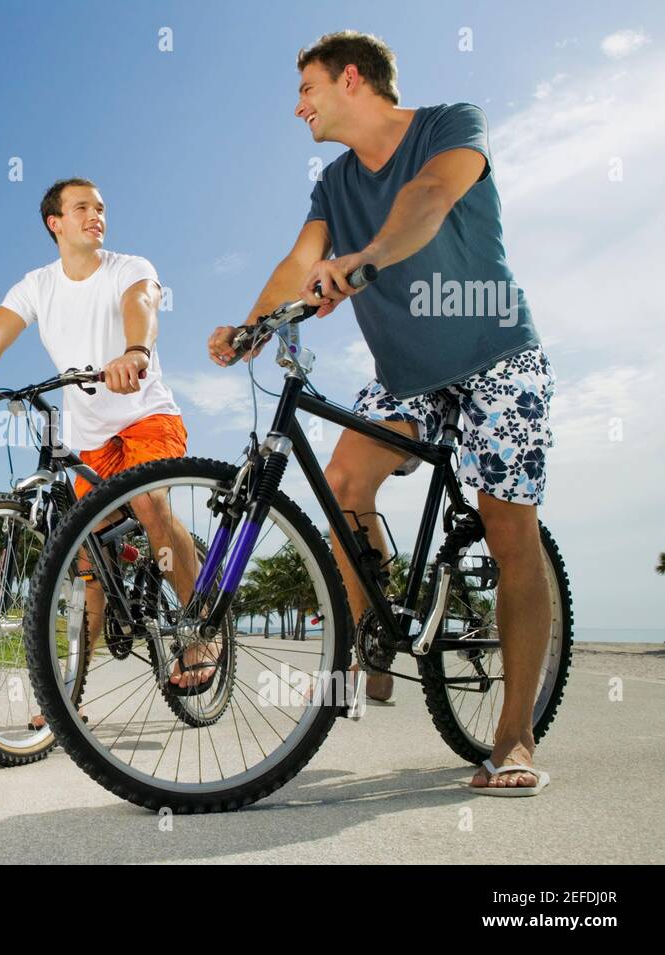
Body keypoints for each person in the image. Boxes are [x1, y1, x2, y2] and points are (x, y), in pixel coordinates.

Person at [207, 32, 555, 795]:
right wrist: (250, 324)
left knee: (508, 525)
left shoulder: (448, 123)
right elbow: (301, 261)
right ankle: (373, 645)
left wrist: (365, 261)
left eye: (307, 90)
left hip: (498, 355)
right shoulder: (333, 185)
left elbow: (426, 201)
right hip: (407, 375)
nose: (298, 107)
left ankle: (516, 735)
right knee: (342, 481)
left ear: (352, 79)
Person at [0, 177, 216, 727]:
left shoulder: (128, 267)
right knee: (86, 565)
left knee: (150, 504)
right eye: (82, 207)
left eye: (102, 207)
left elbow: (142, 302)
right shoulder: (37, 285)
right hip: (90, 440)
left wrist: (134, 351)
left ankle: (200, 629)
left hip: (146, 416)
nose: (96, 215)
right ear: (54, 223)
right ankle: (67, 697)